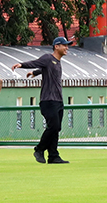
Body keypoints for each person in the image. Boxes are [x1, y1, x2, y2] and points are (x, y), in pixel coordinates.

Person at [14, 37, 72, 165]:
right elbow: (36, 62)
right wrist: (21, 65)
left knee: (56, 129)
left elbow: (45, 69)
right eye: (64, 45)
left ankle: (53, 156)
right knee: (54, 126)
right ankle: (39, 149)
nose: (67, 48)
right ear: (56, 46)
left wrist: (35, 73)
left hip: (58, 100)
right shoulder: (48, 58)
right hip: (48, 100)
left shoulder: (56, 62)